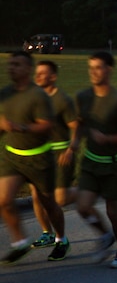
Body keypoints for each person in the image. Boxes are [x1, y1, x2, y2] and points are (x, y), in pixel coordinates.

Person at [0, 52, 69, 264]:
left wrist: (20, 127)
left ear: (28, 69)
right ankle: (20, 242)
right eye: (10, 64)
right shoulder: (5, 94)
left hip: (39, 159)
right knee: (3, 200)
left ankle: (61, 239)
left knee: (49, 204)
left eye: (17, 65)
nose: (12, 68)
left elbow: (46, 126)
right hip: (13, 157)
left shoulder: (38, 96)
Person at [71, 51, 117, 268]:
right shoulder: (83, 97)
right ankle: (105, 235)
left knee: (113, 212)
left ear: (109, 70)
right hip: (90, 162)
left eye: (98, 67)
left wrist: (107, 138)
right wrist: (74, 143)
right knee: (82, 206)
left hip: (114, 164)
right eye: (91, 68)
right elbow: (80, 122)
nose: (94, 72)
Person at [28, 60, 79, 249]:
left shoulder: (62, 100)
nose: (38, 76)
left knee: (59, 199)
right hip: (40, 153)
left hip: (60, 153)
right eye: (37, 73)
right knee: (36, 195)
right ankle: (47, 233)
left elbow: (76, 126)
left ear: (53, 77)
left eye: (43, 73)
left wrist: (71, 149)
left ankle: (87, 192)